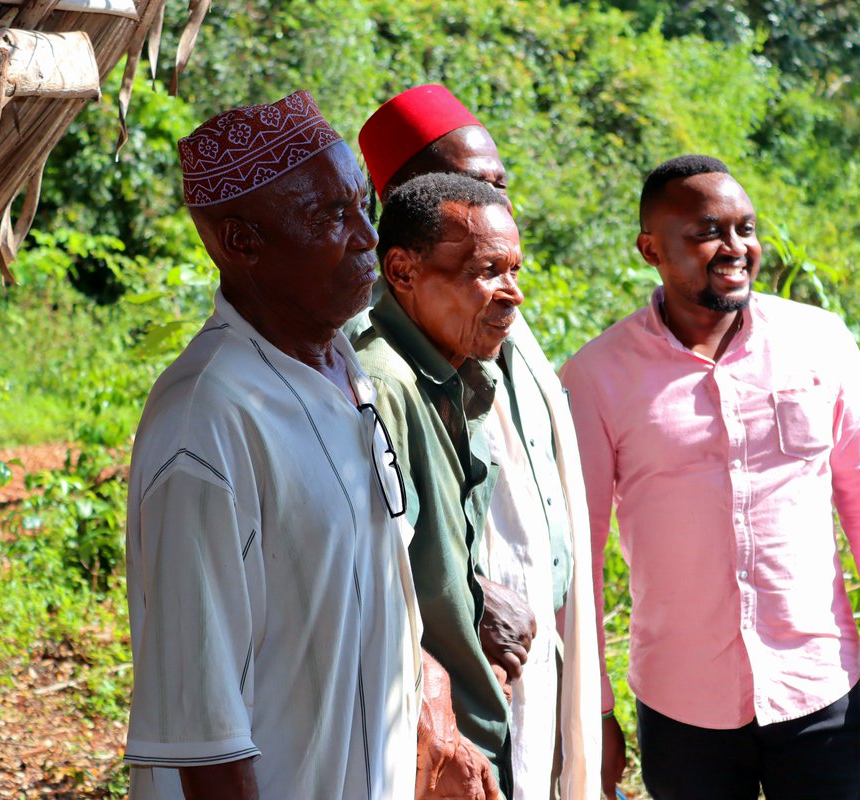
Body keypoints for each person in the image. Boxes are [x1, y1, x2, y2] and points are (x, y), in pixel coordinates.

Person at [559, 155, 860, 800]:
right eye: (708, 232)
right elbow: (578, 555)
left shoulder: (819, 341)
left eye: (745, 228)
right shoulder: (597, 377)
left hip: (818, 686)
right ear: (650, 247)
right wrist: (592, 710)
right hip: (683, 705)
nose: (735, 248)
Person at [125, 90, 439, 799]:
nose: (366, 235)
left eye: (362, 204)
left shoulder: (341, 365)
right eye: (331, 215)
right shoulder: (206, 420)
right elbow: (205, 738)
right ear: (242, 242)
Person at [357, 85, 601, 799]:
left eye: (498, 184)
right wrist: (467, 598)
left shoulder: (503, 318)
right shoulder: (378, 361)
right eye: (468, 186)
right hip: (454, 657)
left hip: (529, 644)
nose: (493, 200)